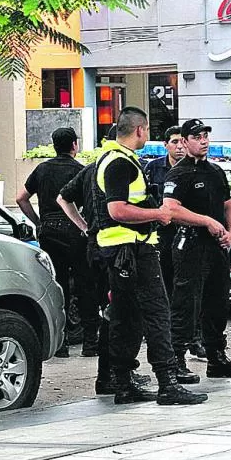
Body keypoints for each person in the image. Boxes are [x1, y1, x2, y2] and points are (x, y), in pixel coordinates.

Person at [92, 106, 207, 406]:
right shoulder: (119, 163)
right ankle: (167, 382)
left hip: (120, 253)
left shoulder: (112, 159)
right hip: (133, 251)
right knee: (157, 313)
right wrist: (158, 213)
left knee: (126, 318)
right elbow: (116, 210)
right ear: (140, 130)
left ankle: (123, 384)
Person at [58, 156, 151, 397]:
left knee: (112, 312)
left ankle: (112, 373)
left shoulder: (90, 170)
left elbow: (63, 198)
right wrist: (85, 225)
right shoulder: (115, 167)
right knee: (120, 313)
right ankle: (114, 375)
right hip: (113, 248)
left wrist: (84, 226)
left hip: (98, 246)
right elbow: (64, 198)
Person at [163, 118, 231, 379]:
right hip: (190, 242)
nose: (204, 141)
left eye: (206, 136)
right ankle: (176, 359)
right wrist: (206, 221)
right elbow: (170, 209)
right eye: (198, 137)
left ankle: (216, 357)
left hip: (216, 245)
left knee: (217, 301)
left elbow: (228, 204)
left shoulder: (215, 171)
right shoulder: (179, 173)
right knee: (186, 302)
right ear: (186, 141)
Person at [15, 127, 94, 358]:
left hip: (49, 231)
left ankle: (61, 343)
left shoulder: (41, 170)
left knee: (57, 284)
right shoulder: (82, 171)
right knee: (85, 284)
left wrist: (38, 222)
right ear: (74, 145)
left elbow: (21, 198)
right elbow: (88, 204)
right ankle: (91, 341)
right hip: (76, 231)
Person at [143, 126, 205, 358]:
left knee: (192, 290)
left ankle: (195, 338)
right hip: (164, 236)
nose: (179, 146)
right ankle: (170, 338)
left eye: (182, 142)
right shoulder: (153, 168)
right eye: (174, 142)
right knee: (167, 288)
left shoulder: (196, 169)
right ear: (166, 145)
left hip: (190, 235)